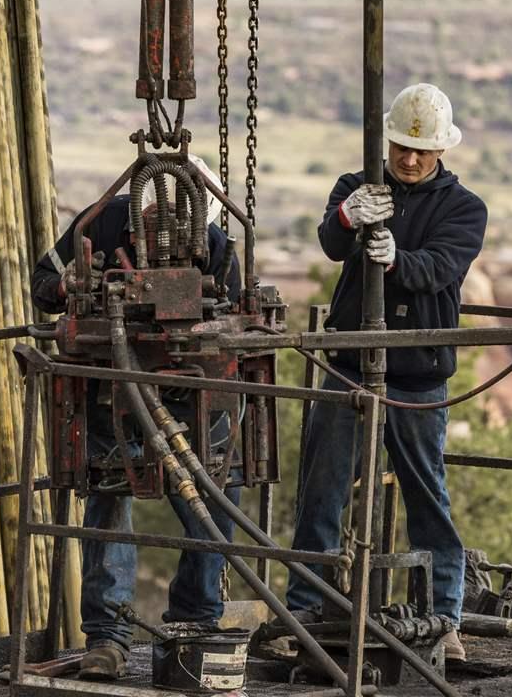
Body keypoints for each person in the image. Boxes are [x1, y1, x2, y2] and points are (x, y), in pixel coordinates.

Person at [287, 83, 487, 661]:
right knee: (323, 494)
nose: (409, 157)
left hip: (415, 375)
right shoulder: (358, 188)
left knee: (427, 499)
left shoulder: (463, 209)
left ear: (441, 151)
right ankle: (306, 604)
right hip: (352, 366)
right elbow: (329, 242)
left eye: (420, 150)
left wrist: (398, 258)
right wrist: (348, 218)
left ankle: (443, 616)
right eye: (401, 145)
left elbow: (441, 268)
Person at [31, 155, 242, 680]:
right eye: (152, 227)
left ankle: (195, 622)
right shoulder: (100, 222)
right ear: (137, 215)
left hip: (189, 392)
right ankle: (108, 636)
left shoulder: (215, 246)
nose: (162, 239)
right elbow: (42, 283)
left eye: (177, 232)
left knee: (215, 495)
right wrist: (68, 285)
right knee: (108, 496)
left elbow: (237, 316)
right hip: (112, 390)